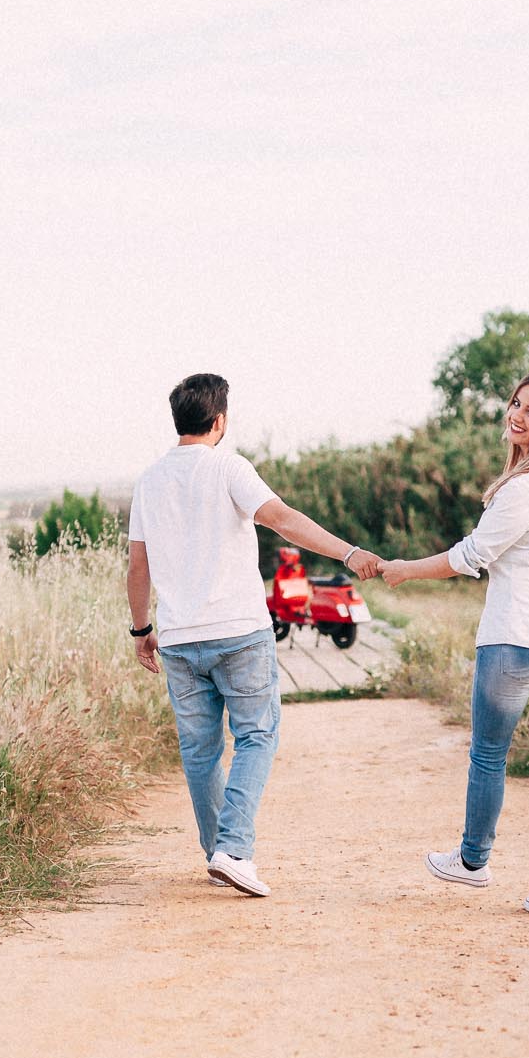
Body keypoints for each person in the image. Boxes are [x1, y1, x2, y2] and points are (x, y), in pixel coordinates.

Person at [127, 372, 381, 897]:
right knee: (258, 736)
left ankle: (218, 852)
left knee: (199, 752)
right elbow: (283, 520)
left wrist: (141, 629)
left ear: (179, 420)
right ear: (219, 420)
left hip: (177, 637)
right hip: (239, 631)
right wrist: (348, 553)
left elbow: (137, 565)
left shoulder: (149, 481)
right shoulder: (229, 467)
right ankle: (233, 849)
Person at [382, 368, 529, 920]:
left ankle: (473, 862)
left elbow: (469, 556)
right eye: (515, 405)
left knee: (488, 754)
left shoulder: (526, 490)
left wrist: (404, 570)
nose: (516, 417)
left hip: (518, 639)